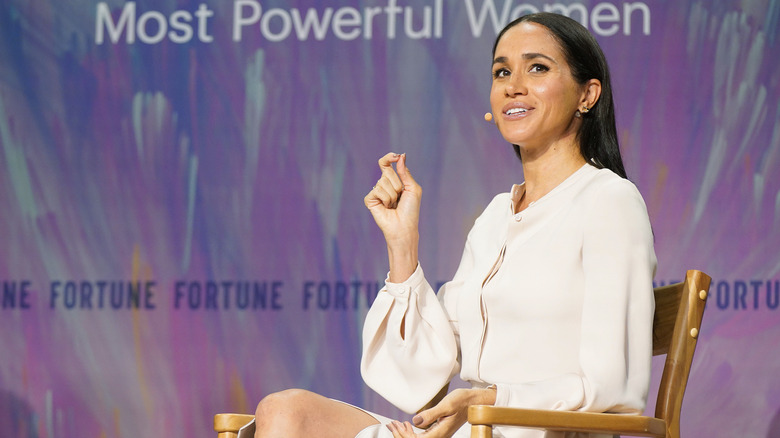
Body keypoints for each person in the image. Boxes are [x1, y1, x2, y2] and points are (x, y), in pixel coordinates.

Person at [252, 12, 656, 438]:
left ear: (587, 95)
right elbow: (423, 382)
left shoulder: (609, 202)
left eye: (537, 67)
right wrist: (403, 247)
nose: (513, 84)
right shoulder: (496, 217)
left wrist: (489, 400)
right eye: (502, 72)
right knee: (284, 411)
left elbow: (614, 389)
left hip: (535, 432)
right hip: (470, 429)